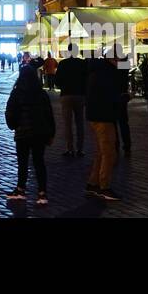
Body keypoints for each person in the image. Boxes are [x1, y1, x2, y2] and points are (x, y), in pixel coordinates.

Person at [5, 62, 55, 205]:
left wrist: (13, 125)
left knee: (23, 162)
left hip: (22, 133)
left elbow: (10, 112)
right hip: (39, 133)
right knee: (39, 162)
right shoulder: (41, 94)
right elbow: (49, 115)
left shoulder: (17, 92)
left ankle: (21, 189)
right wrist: (51, 133)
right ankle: (42, 192)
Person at [84, 48, 122, 201]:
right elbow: (110, 96)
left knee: (100, 151)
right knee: (108, 153)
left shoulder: (96, 71)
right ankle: (104, 186)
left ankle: (93, 183)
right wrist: (123, 98)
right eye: (119, 59)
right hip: (104, 116)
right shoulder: (107, 74)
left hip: (95, 115)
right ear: (113, 59)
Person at [54, 44, 88, 157]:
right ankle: (80, 149)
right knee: (80, 123)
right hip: (80, 95)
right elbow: (87, 80)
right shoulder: (83, 64)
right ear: (77, 51)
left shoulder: (63, 63)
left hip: (66, 95)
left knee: (67, 124)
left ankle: (70, 148)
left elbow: (57, 81)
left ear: (68, 51)